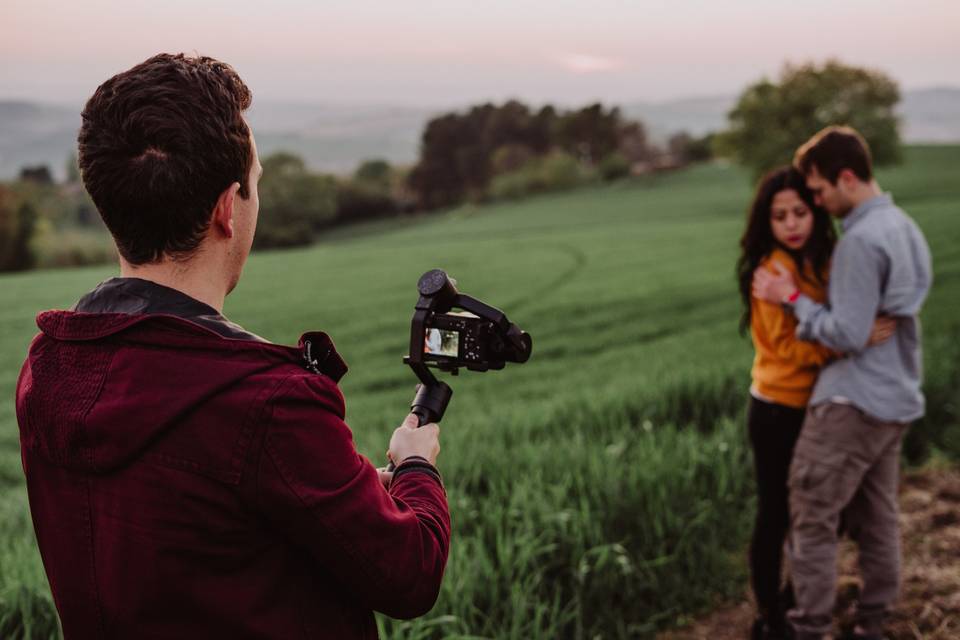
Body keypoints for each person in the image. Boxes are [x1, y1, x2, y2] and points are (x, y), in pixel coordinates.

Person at [15, 53, 450, 639]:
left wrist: (346, 485)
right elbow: (410, 575)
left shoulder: (48, 366)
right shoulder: (267, 403)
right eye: (256, 185)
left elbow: (191, 520)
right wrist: (415, 465)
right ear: (227, 208)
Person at [752, 126, 932, 640]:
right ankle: (872, 622)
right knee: (878, 517)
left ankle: (808, 627)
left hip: (853, 403)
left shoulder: (859, 240)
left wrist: (793, 299)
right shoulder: (904, 226)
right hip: (897, 395)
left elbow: (848, 334)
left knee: (810, 519)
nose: (817, 201)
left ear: (846, 178)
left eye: (819, 190)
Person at [737, 166, 836, 639]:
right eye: (780, 216)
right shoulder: (773, 269)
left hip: (818, 406)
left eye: (800, 212)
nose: (792, 224)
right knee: (775, 512)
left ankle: (796, 600)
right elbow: (789, 350)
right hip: (775, 409)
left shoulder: (823, 260)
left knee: (813, 512)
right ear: (767, 222)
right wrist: (843, 343)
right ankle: (769, 616)